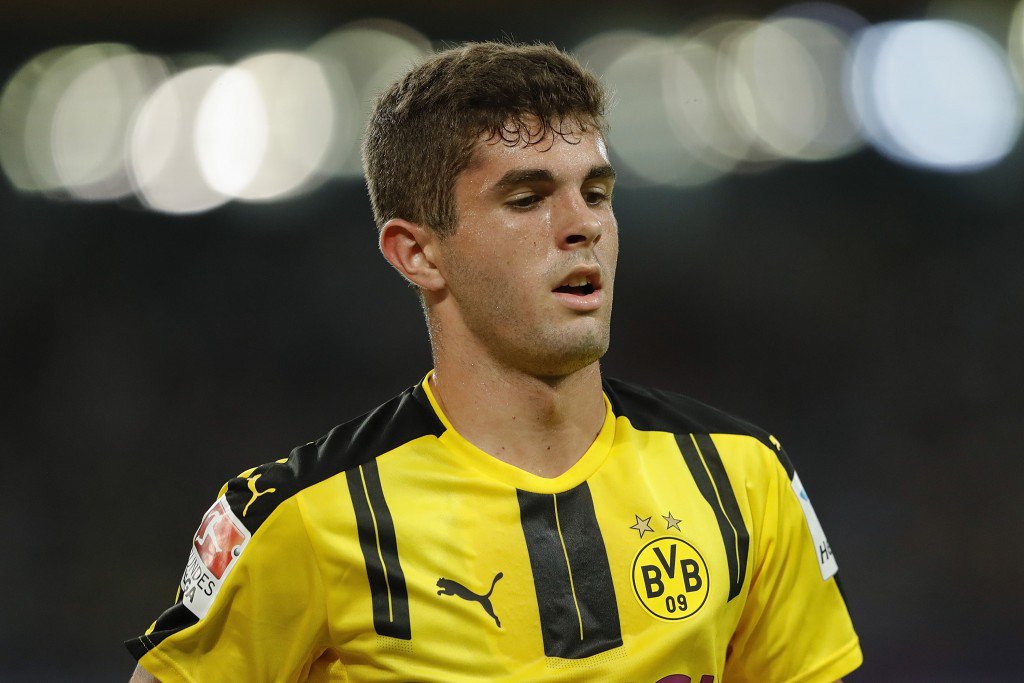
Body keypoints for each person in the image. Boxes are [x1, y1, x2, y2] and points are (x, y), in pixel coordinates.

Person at [127, 41, 862, 682]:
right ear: (418, 253)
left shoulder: (743, 475)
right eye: (527, 198)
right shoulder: (302, 518)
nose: (582, 226)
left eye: (597, 192)